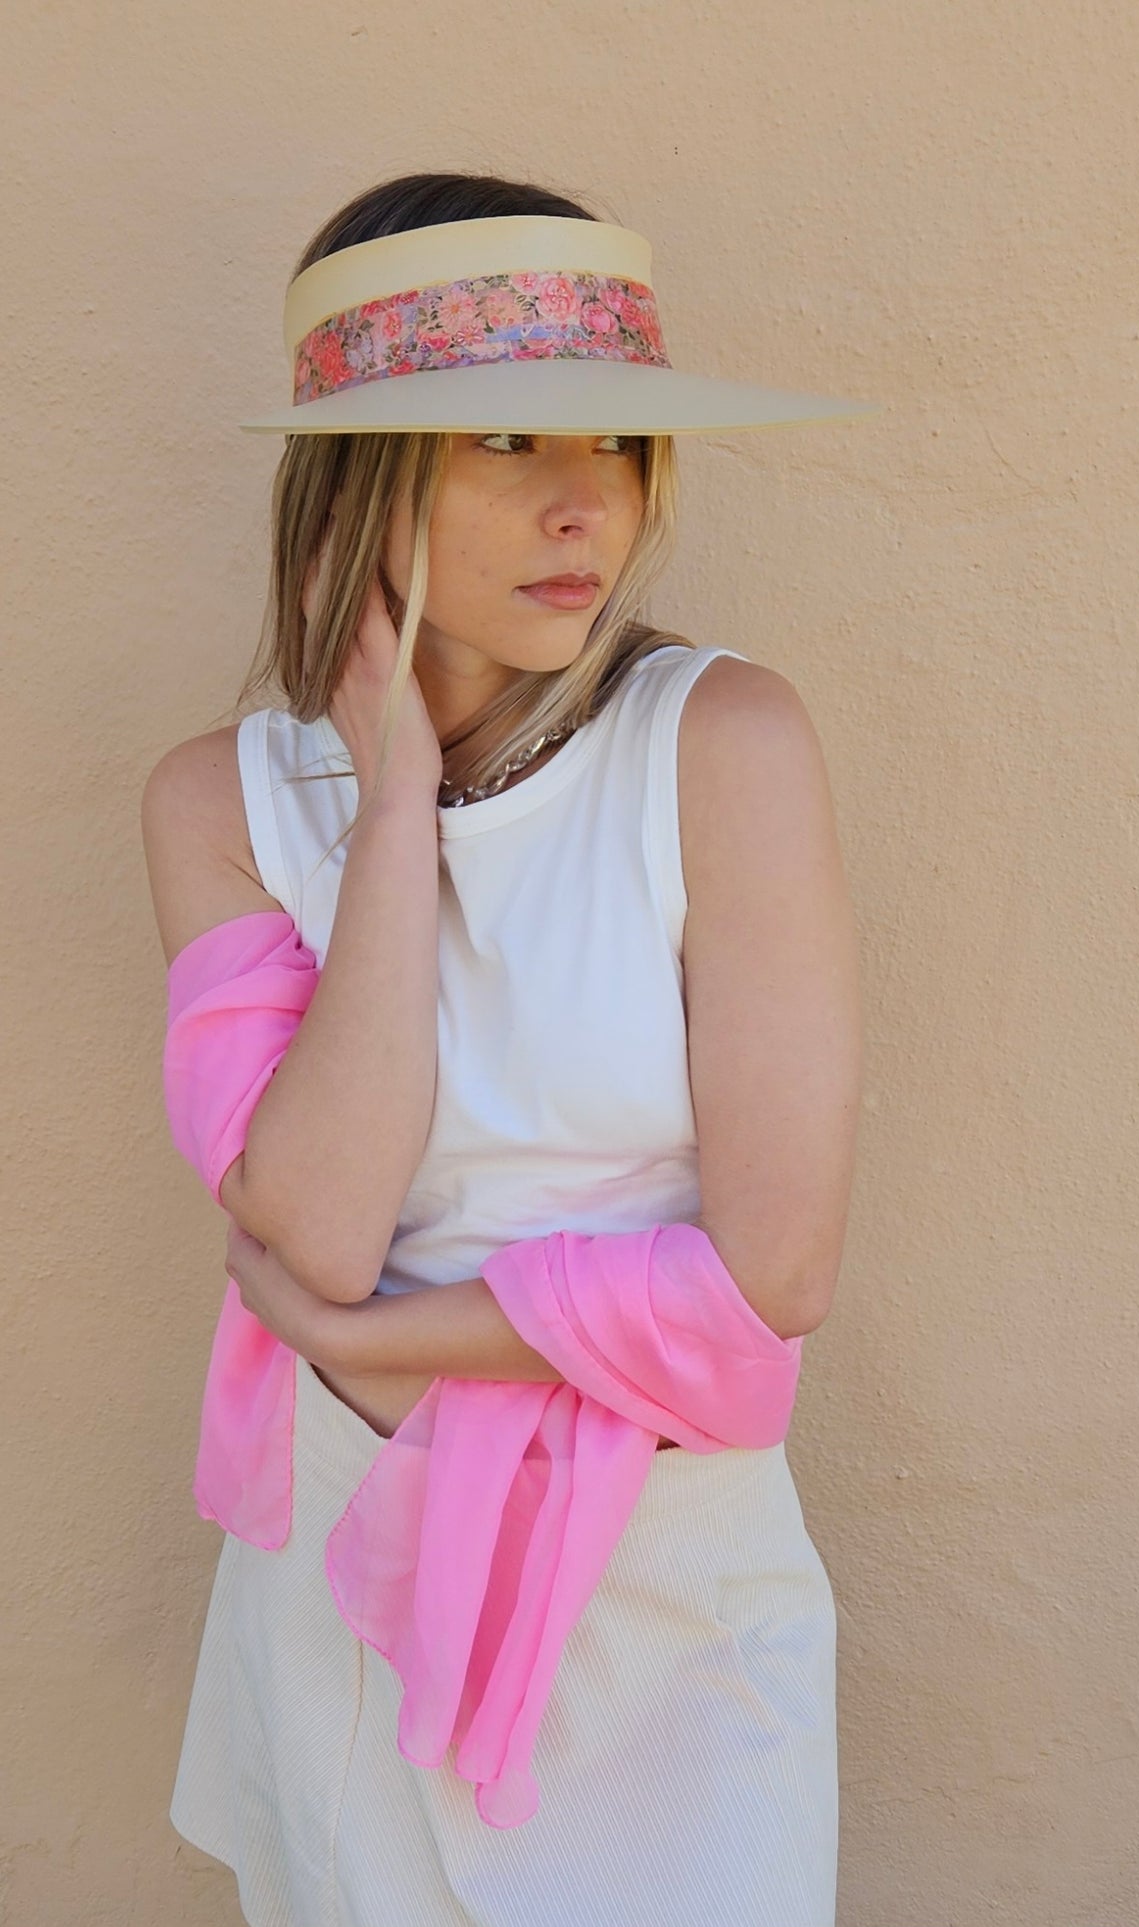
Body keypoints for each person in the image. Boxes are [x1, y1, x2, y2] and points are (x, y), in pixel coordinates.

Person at [141, 169, 875, 1927]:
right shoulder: (220, 802)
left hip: (663, 1600)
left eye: (617, 449)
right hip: (345, 1581)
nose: (581, 504)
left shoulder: (720, 744)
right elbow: (313, 1218)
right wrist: (394, 804)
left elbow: (768, 1280)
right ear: (359, 486)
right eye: (506, 442)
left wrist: (361, 1337)